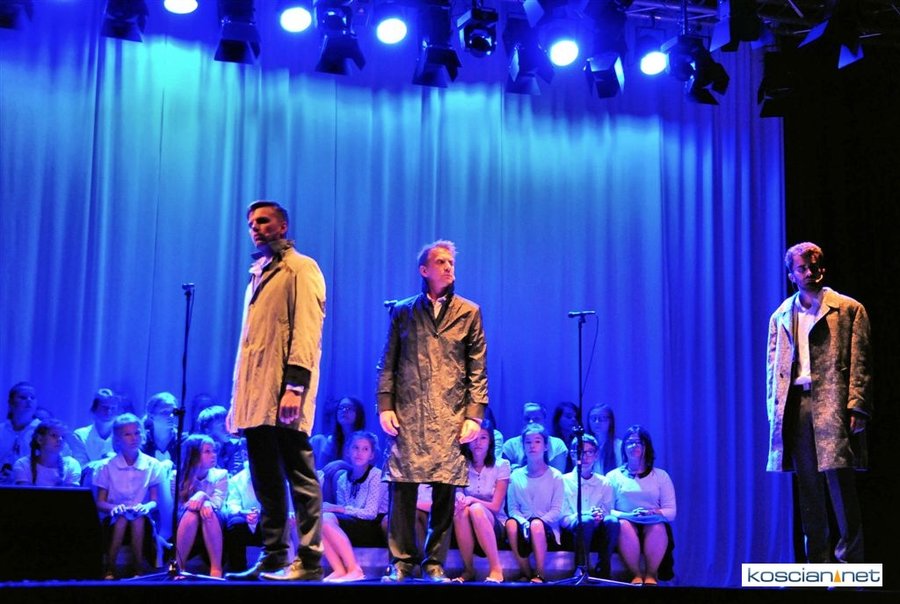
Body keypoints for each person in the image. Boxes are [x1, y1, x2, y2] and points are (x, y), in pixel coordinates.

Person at [225, 199, 327, 582]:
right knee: (264, 478)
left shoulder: (301, 268)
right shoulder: (258, 273)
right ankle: (273, 556)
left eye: (264, 221)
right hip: (256, 395)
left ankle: (310, 560)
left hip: (285, 393)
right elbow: (248, 346)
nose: (256, 227)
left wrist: (295, 387)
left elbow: (306, 332)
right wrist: (237, 401)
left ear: (282, 226)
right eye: (252, 223)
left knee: (299, 475)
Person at [376, 239, 489, 583]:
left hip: (450, 411)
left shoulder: (469, 312)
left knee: (445, 488)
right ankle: (401, 562)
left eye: (451, 262)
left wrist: (474, 414)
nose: (448, 267)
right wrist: (385, 405)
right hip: (409, 410)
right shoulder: (403, 311)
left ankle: (434, 563)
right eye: (440, 262)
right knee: (403, 485)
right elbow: (388, 362)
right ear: (424, 270)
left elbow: (477, 368)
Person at [766, 241, 872, 563]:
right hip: (797, 405)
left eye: (815, 266)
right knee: (808, 488)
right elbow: (773, 368)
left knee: (840, 483)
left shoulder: (848, 309)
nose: (810, 272)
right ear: (791, 275)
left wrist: (856, 405)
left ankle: (850, 562)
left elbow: (861, 362)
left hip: (833, 404)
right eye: (802, 268)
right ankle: (818, 564)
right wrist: (774, 412)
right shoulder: (781, 316)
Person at [93, 413, 166, 579]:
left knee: (137, 518)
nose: (134, 438)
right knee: (122, 518)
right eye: (127, 434)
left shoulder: (152, 464)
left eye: (137, 433)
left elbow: (154, 501)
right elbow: (100, 502)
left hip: (142, 518)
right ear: (118, 439)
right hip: (113, 519)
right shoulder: (106, 466)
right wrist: (115, 508)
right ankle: (110, 568)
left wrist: (145, 507)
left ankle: (138, 569)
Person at [606, 425, 676, 586]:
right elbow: (607, 510)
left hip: (652, 521)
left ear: (647, 446)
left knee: (657, 526)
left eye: (639, 442)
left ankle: (651, 575)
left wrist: (652, 512)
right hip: (625, 521)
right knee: (623, 525)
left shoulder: (661, 476)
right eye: (629, 442)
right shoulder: (613, 476)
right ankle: (636, 574)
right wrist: (629, 516)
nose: (634, 446)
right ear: (624, 447)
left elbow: (671, 512)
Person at [320, 430, 386, 582]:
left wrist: (337, 508)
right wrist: (337, 510)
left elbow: (370, 513)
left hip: (372, 526)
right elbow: (344, 513)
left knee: (327, 517)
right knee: (321, 519)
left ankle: (354, 569)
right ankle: (339, 570)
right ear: (348, 452)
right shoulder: (343, 479)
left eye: (365, 449)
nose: (359, 453)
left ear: (371, 455)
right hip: (354, 523)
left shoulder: (376, 475)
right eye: (355, 448)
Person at [505, 423, 565, 583]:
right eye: (528, 442)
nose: (532, 446)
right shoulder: (515, 476)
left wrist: (536, 523)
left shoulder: (556, 476)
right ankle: (526, 572)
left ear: (545, 446)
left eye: (537, 441)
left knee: (536, 525)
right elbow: (513, 509)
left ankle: (540, 573)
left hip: (546, 528)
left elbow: (556, 510)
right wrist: (525, 523)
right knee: (511, 524)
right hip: (523, 527)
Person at [452, 418, 509, 583]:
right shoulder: (462, 465)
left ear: (490, 441)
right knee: (461, 511)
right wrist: (461, 499)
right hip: (467, 522)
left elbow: (496, 506)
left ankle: (496, 568)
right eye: (474, 438)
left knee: (476, 508)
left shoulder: (502, 465)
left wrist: (471, 499)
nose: (478, 443)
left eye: (483, 438)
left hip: (495, 522)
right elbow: (459, 494)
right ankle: (468, 569)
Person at [560, 434, 619, 579]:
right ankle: (580, 570)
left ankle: (603, 571)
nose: (584, 457)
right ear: (572, 454)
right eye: (579, 452)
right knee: (586, 521)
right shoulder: (562, 481)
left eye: (589, 452)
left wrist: (599, 516)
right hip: (572, 531)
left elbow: (607, 511)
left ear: (596, 455)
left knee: (612, 521)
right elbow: (562, 518)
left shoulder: (604, 482)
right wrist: (586, 515)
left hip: (597, 531)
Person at [176, 434, 228, 577]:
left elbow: (218, 503)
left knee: (208, 510)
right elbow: (179, 507)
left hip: (214, 520)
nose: (213, 455)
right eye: (207, 451)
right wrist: (199, 501)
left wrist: (203, 497)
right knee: (191, 514)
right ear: (194, 455)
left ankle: (216, 570)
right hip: (186, 520)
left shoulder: (221, 475)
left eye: (214, 451)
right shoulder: (177, 476)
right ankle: (179, 567)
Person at [501, 401, 568, 471]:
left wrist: (516, 468)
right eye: (527, 419)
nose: (531, 422)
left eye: (536, 419)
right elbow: (504, 473)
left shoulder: (557, 444)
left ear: (544, 420)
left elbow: (558, 473)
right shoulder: (510, 445)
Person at [13, 418, 82, 486]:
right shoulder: (23, 465)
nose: (60, 439)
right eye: (54, 435)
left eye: (63, 436)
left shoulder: (71, 465)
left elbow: (72, 493)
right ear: (40, 439)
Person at [223, 460, 262, 572]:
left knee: (276, 522)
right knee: (235, 524)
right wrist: (244, 513)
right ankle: (238, 571)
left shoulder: (275, 476)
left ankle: (273, 568)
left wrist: (261, 514)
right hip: (244, 519)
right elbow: (232, 505)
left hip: (266, 520)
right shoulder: (236, 480)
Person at [0, 381, 41, 484]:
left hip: (33, 488)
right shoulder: (1, 430)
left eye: (32, 397)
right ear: (11, 403)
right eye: (23, 397)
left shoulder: (45, 431)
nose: (29, 400)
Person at [69, 388, 119, 469]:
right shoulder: (80, 435)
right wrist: (106, 461)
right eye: (104, 408)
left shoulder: (124, 435)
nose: (109, 412)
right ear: (94, 410)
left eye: (113, 408)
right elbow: (80, 468)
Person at [197, 405, 247, 475]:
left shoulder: (237, 445)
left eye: (229, 424)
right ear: (207, 430)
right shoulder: (199, 450)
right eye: (222, 426)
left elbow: (236, 472)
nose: (228, 429)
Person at [141, 392, 179, 463]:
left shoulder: (183, 441)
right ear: (151, 416)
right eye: (165, 412)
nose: (171, 416)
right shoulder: (141, 441)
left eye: (174, 412)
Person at [585, 403, 622, 475]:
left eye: (602, 418)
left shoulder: (619, 446)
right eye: (593, 418)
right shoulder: (583, 445)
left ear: (610, 421)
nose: (597, 422)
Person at [551, 401, 580, 473]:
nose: (573, 419)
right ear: (558, 419)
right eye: (569, 416)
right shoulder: (552, 442)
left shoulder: (579, 441)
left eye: (576, 417)